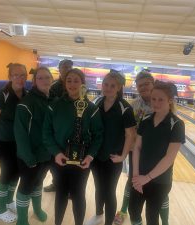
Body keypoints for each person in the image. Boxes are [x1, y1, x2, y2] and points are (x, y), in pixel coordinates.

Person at [43, 68, 103, 225]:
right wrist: (56, 153)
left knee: (78, 194)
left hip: (82, 160)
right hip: (59, 159)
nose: (72, 83)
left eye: (76, 80)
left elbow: (98, 135)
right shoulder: (54, 106)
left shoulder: (90, 108)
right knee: (61, 193)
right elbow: (46, 132)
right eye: (69, 80)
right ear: (64, 82)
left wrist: (90, 156)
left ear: (82, 83)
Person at [128, 81, 185, 225]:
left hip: (160, 180)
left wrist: (146, 178)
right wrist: (135, 176)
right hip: (139, 176)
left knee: (152, 217)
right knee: (133, 211)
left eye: (161, 99)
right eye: (154, 99)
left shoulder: (177, 125)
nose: (156, 103)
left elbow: (169, 158)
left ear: (170, 100)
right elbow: (137, 148)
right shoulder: (146, 120)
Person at [85, 70, 136, 225]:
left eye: (112, 85)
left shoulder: (125, 108)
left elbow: (130, 135)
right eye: (105, 84)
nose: (108, 88)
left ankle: (108, 222)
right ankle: (99, 215)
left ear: (119, 87)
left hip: (113, 159)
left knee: (109, 191)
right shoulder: (98, 102)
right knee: (99, 188)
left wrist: (123, 156)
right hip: (97, 156)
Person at [14, 67, 53, 225]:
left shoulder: (52, 100)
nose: (45, 81)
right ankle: (22, 219)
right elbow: (20, 133)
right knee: (26, 186)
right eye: (40, 78)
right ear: (34, 81)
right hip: (30, 155)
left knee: (38, 182)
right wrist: (28, 156)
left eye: (47, 77)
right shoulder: (27, 103)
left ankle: (37, 209)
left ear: (52, 79)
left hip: (46, 154)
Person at [114, 71, 154, 224]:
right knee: (132, 180)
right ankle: (124, 210)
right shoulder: (134, 105)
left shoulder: (161, 102)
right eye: (140, 85)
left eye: (146, 84)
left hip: (154, 153)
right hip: (136, 151)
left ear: (153, 83)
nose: (143, 87)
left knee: (156, 183)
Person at [0, 63, 27, 222]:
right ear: (10, 77)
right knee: (6, 174)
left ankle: (10, 201)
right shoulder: (2, 95)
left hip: (22, 143)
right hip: (5, 142)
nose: (20, 78)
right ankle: (1, 208)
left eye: (23, 75)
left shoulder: (27, 94)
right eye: (16, 75)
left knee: (16, 173)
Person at [44, 59, 73, 192]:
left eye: (69, 67)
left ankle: (69, 187)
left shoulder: (75, 85)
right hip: (56, 129)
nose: (66, 69)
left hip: (72, 129)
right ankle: (57, 184)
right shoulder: (54, 87)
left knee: (72, 161)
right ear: (59, 69)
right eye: (64, 67)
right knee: (55, 163)